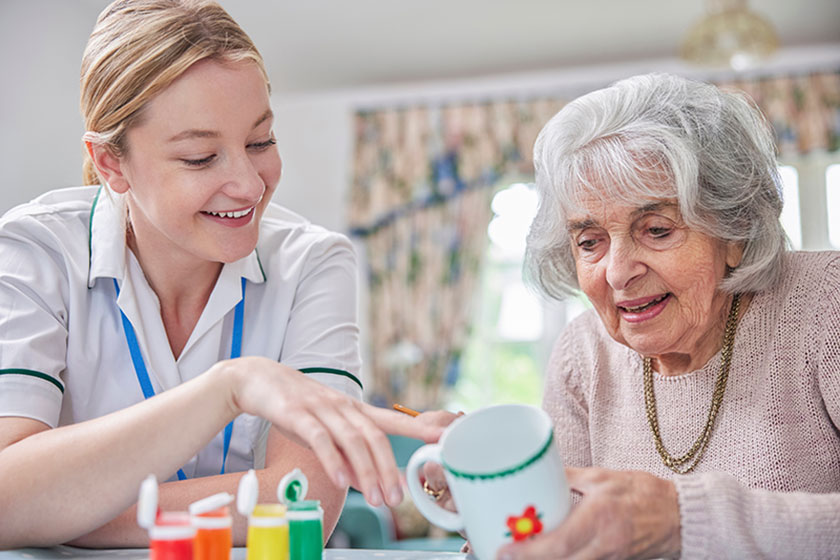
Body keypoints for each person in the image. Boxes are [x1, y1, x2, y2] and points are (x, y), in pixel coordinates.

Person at [0, 0, 451, 549]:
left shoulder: (313, 263)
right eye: (199, 157)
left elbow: (302, 503)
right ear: (112, 163)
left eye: (260, 141)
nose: (249, 184)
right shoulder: (34, 250)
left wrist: (58, 505)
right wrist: (229, 389)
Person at [424, 73, 840, 559]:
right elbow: (562, 536)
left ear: (735, 233)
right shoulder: (584, 354)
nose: (618, 273)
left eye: (657, 229)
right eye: (589, 241)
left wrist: (683, 520)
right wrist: (488, 497)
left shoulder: (825, 304)